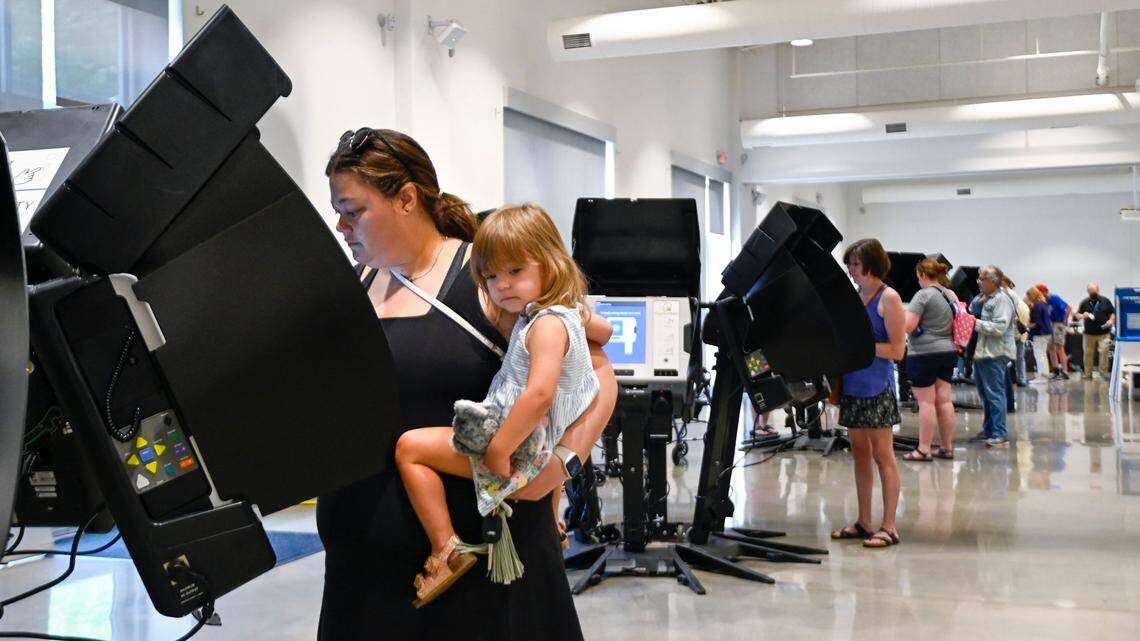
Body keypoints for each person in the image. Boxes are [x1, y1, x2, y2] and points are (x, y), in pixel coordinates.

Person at [319, 127, 617, 641]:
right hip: (365, 570)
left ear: (406, 199)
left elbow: (597, 372)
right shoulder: (357, 284)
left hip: (487, 570)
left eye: (352, 210)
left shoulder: (491, 276)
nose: (341, 225)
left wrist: (564, 464)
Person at [394, 204, 610, 607]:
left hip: (516, 443)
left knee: (410, 449)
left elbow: (539, 394)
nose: (503, 286)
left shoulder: (544, 325)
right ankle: (552, 518)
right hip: (536, 440)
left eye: (516, 271)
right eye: (491, 277)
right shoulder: (559, 315)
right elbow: (606, 330)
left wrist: (499, 448)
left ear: (550, 262)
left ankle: (446, 549)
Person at [830, 239, 905, 548]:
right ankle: (864, 521)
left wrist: (860, 348)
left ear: (872, 264)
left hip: (878, 387)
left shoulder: (890, 299)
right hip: (852, 386)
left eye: (856, 264)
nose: (851, 270)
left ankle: (889, 526)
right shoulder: (856, 297)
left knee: (882, 455)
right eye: (849, 264)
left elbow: (897, 350)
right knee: (860, 454)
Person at [901, 258, 958, 461]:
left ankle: (923, 449)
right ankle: (947, 447)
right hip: (948, 351)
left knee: (926, 402)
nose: (917, 281)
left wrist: (914, 325)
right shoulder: (949, 294)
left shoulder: (923, 295)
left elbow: (908, 326)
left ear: (924, 275)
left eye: (918, 277)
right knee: (944, 400)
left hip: (925, 353)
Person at [972, 266, 1017, 448]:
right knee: (985, 394)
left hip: (996, 353)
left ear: (993, 281)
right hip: (983, 353)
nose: (979, 283)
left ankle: (1000, 432)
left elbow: (999, 327)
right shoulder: (985, 298)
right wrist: (979, 301)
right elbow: (971, 308)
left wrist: (974, 323)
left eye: (982, 279)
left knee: (995, 394)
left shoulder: (1002, 301)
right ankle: (989, 429)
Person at [1076, 282, 1116, 380]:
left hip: (1104, 333)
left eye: (1094, 291)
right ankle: (1087, 374)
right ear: (1088, 292)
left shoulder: (1105, 301)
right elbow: (1077, 315)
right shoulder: (1084, 302)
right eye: (1090, 292)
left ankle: (1103, 373)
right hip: (1089, 334)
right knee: (1088, 354)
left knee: (1104, 352)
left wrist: (1111, 320)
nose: (1092, 293)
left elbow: (1112, 313)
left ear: (1098, 290)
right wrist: (1082, 316)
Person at [1037, 284, 1071, 380]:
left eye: (1040, 293)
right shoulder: (1043, 301)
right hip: (1049, 324)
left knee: (1060, 348)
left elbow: (1068, 308)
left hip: (1057, 324)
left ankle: (1065, 371)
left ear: (1044, 291)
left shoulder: (1054, 298)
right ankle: (1056, 371)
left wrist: (1064, 322)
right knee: (1051, 348)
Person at [1004, 277, 1030, 387]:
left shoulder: (1007, 298)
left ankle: (1007, 379)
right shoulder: (1021, 301)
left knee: (1007, 358)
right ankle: (1022, 378)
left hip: (1012, 333)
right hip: (1022, 334)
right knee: (1020, 358)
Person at [1026, 287, 1051, 383]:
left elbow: (1036, 322)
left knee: (1039, 354)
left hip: (1039, 333)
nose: (1028, 298)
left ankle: (1042, 377)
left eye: (1028, 296)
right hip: (1046, 333)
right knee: (1043, 354)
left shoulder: (1037, 306)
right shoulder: (1043, 304)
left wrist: (1027, 325)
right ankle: (1045, 375)